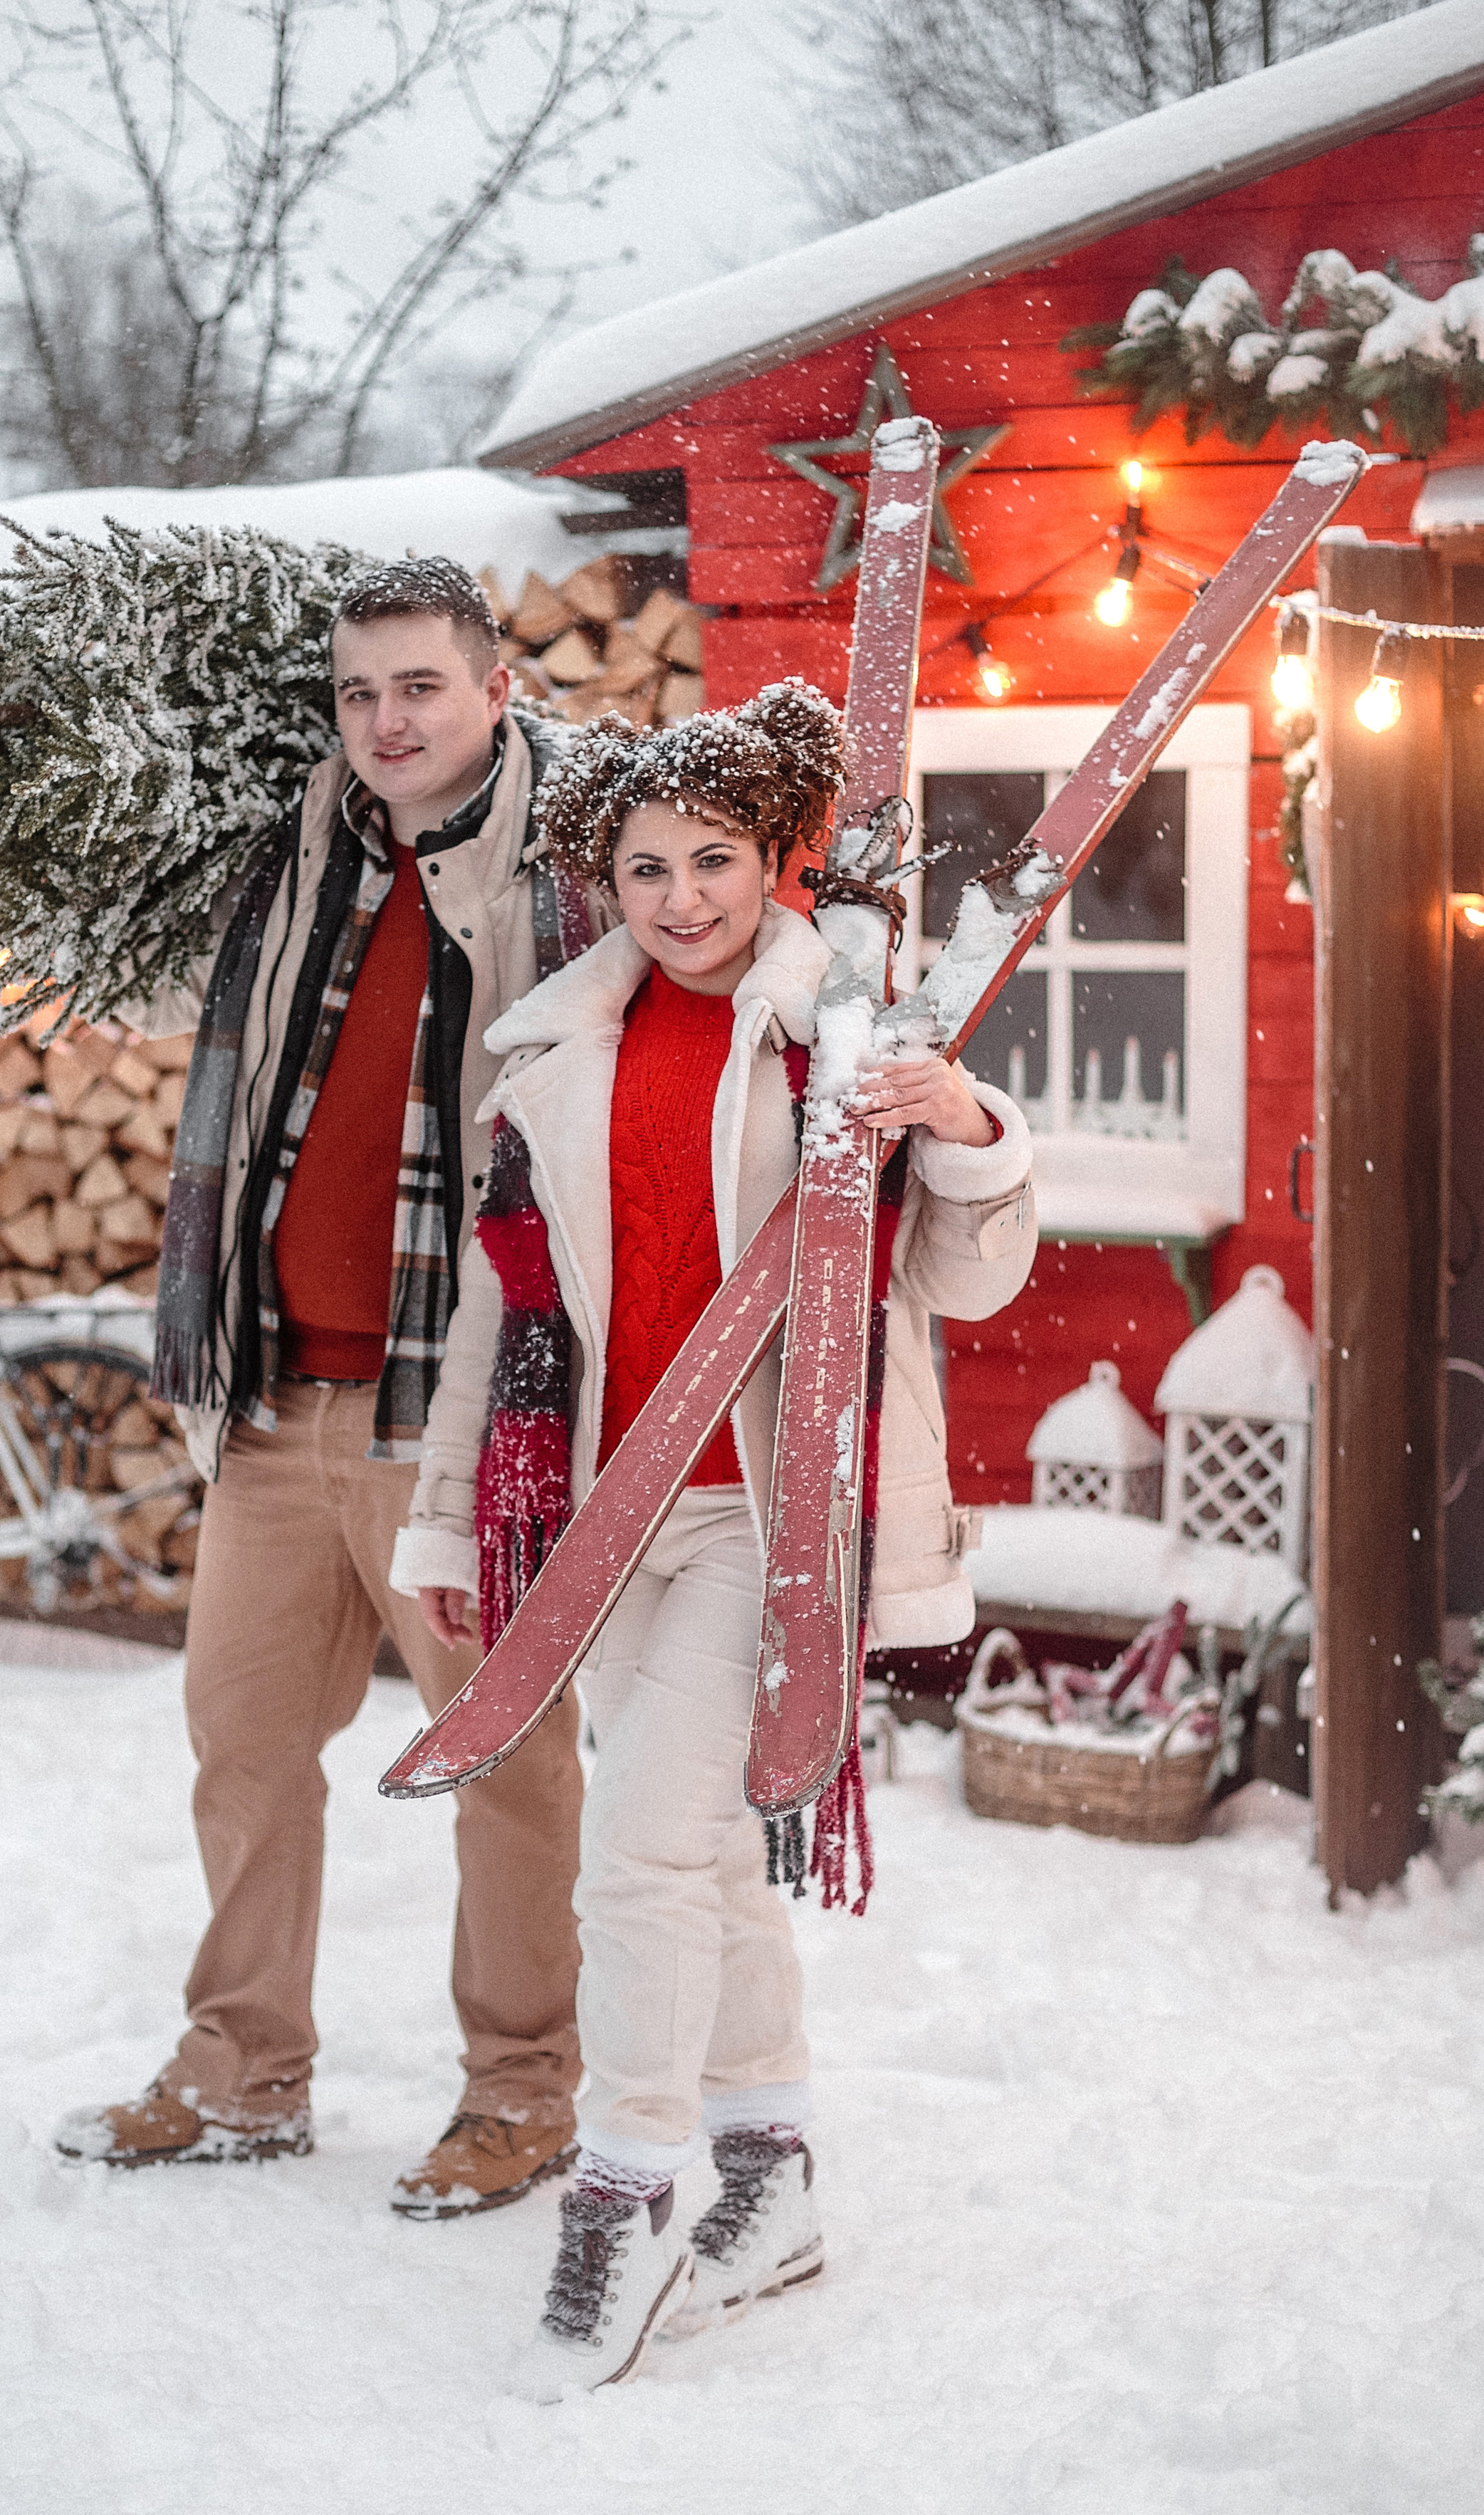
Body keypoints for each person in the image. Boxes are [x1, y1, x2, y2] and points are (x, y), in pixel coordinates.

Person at [389, 682, 1038, 2388]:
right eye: (646, 866)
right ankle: (772, 2179)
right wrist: (452, 1523)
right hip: (597, 1521)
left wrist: (960, 1129)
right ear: (602, 877)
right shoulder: (554, 1047)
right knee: (697, 1861)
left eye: (715, 861)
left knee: (635, 1859)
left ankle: (625, 2195)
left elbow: (966, 1278)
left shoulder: (844, 1033)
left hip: (767, 1509)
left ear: (773, 860)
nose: (681, 898)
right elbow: (499, 1309)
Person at [55, 559, 591, 2220]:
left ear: (495, 690)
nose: (386, 722)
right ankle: (242, 2070)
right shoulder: (298, 855)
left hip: (453, 1412)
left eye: (419, 687)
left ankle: (520, 2091)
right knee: (241, 1747)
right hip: (275, 1396)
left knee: (503, 1758)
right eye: (358, 693)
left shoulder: (569, 871)